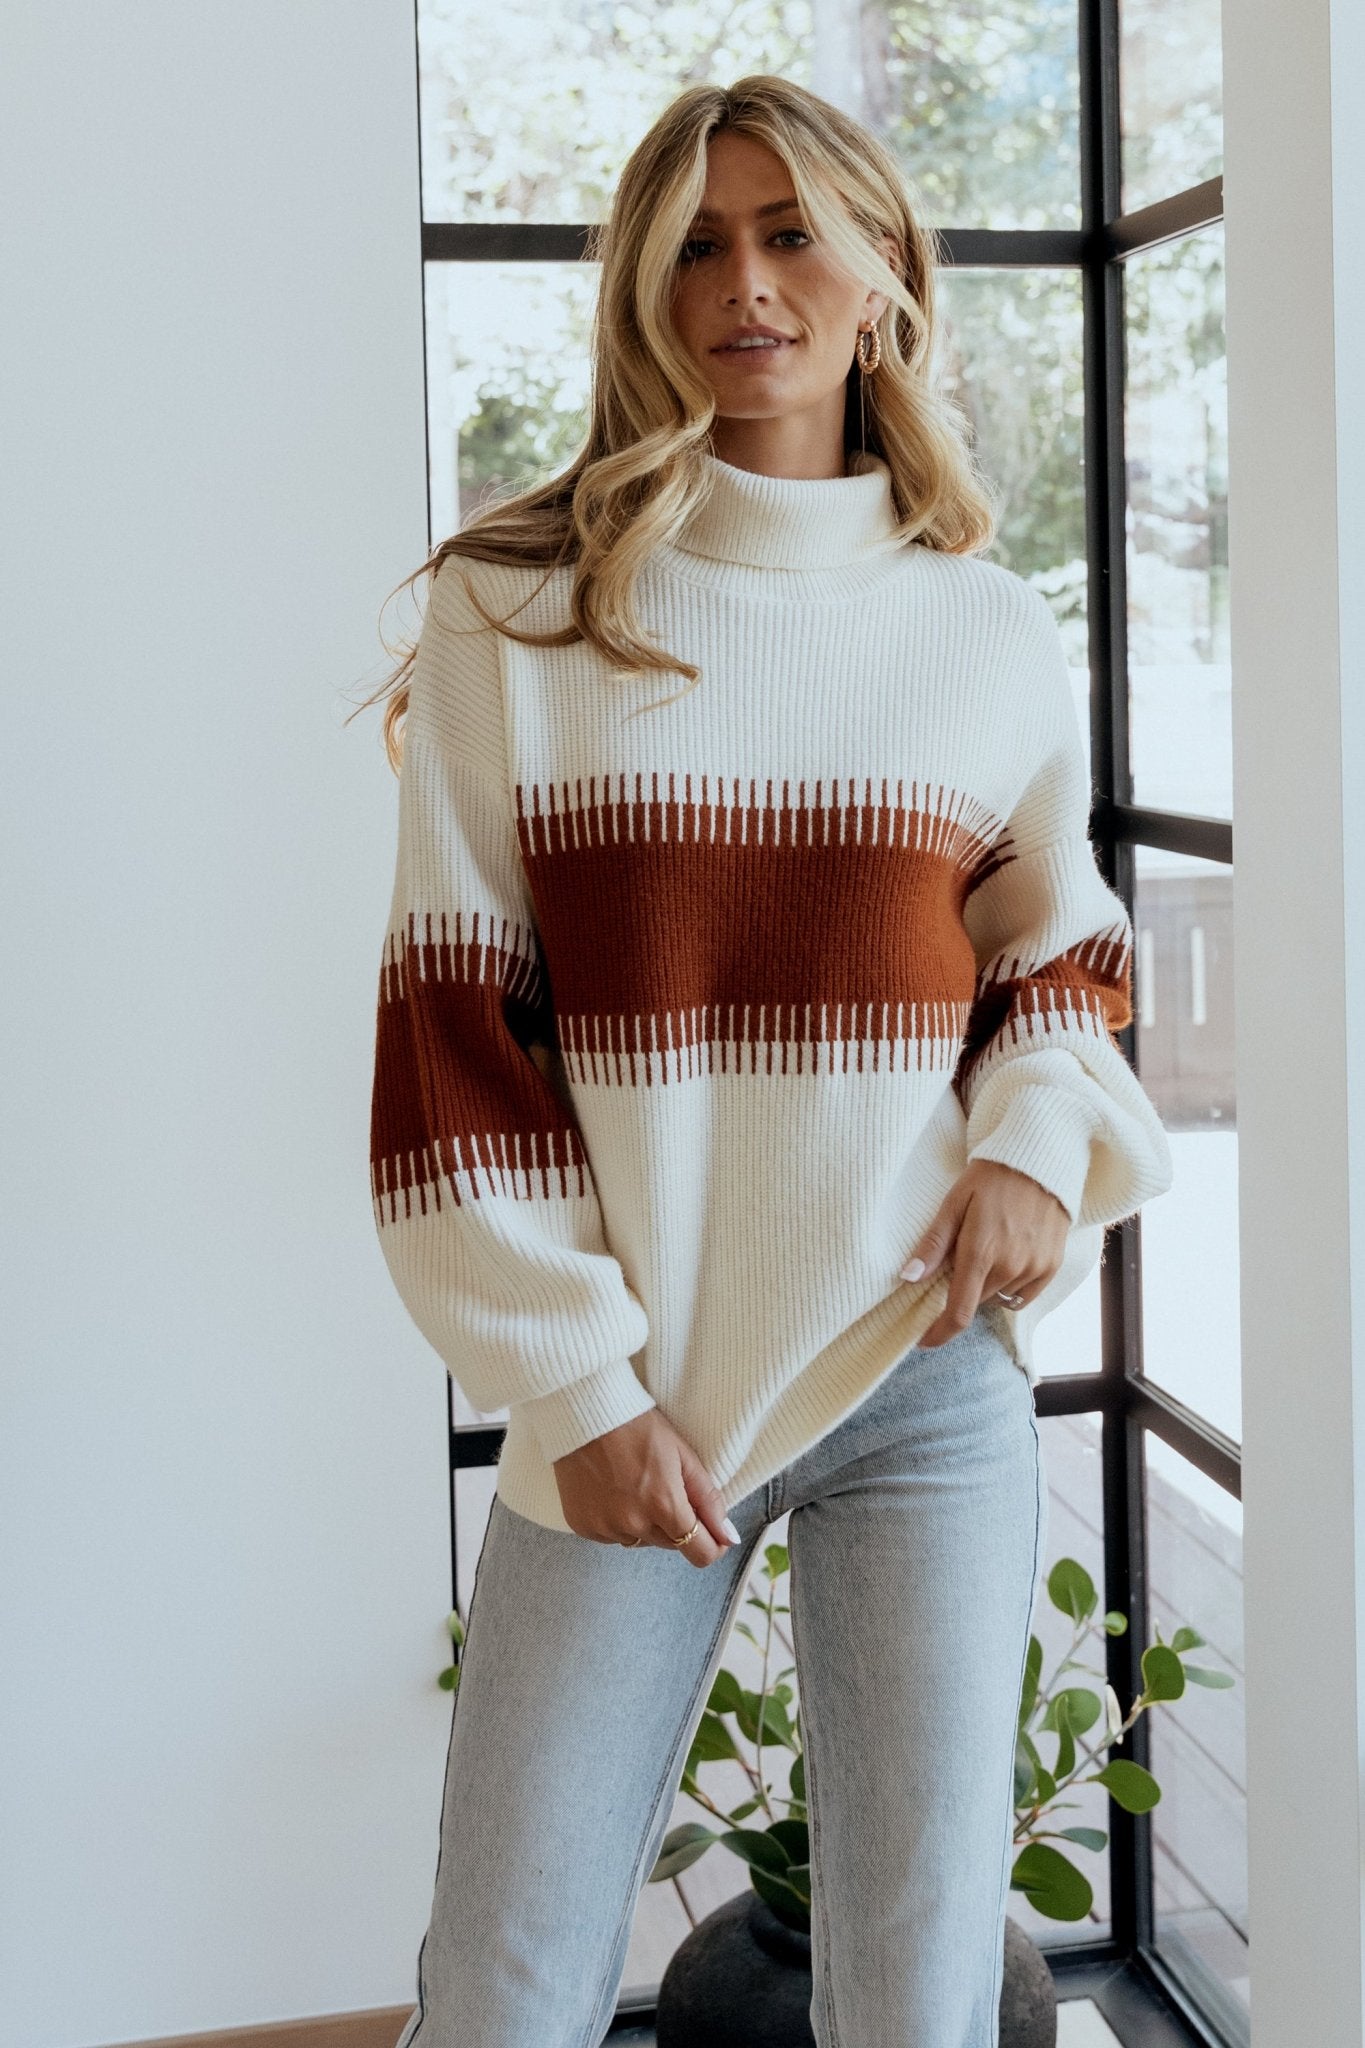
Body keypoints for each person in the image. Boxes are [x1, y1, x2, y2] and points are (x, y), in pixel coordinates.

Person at [360, 72, 1172, 2048]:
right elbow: (449, 1029)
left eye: (789, 230)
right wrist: (574, 1378)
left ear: (882, 269)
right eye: (697, 242)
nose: (743, 281)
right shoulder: (522, 607)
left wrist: (1025, 1147)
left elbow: (1056, 949)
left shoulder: (979, 626)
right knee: (507, 1976)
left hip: (920, 1369)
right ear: (642, 288)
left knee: (913, 1982)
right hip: (637, 1388)